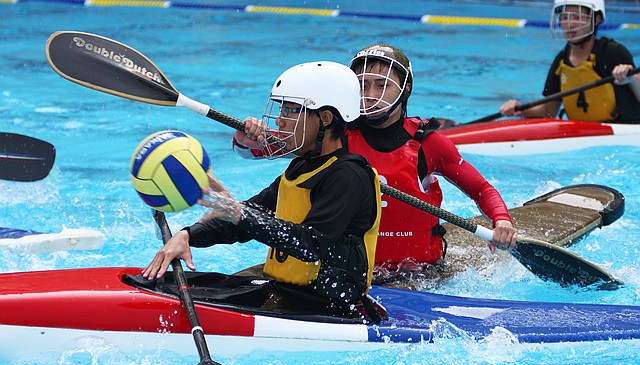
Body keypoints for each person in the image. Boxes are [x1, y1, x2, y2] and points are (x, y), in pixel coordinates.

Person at [233, 44, 518, 285]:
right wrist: (247, 138)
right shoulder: (333, 134)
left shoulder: (428, 143)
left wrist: (502, 220)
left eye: (382, 85)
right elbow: (258, 150)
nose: (370, 93)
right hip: (350, 273)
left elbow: (481, 189)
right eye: (363, 84)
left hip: (418, 276)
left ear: (404, 89)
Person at [143, 61, 381, 313]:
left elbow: (310, 244)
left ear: (325, 118)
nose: (279, 120)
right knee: (186, 284)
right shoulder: (301, 167)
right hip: (290, 292)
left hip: (328, 305)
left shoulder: (348, 176)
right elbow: (248, 217)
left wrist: (241, 214)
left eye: (290, 111)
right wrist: (188, 235)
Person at [500, 0, 640, 123]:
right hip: (585, 133)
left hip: (622, 132)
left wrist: (632, 79)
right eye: (564, 17)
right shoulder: (561, 61)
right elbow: (549, 111)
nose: (569, 24)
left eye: (577, 17)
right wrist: (520, 109)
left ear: (596, 20)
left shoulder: (613, 52)